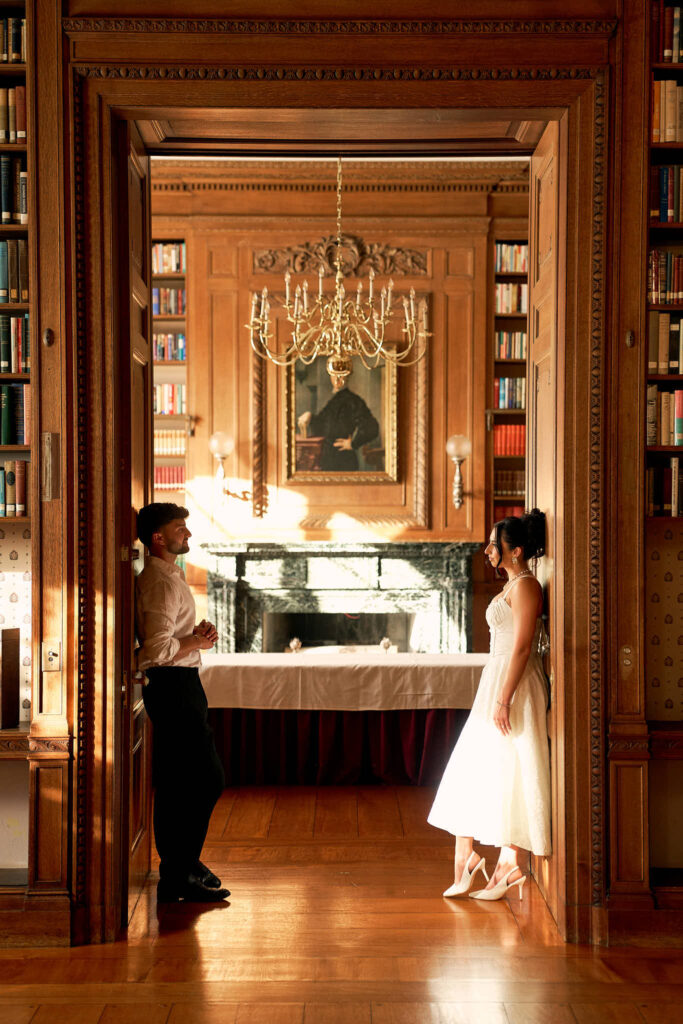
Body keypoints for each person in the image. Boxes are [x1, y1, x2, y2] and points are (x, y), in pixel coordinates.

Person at [428, 509, 551, 901]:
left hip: (514, 684)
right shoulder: (511, 585)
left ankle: (508, 861)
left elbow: (522, 646)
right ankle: (469, 856)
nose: (487, 550)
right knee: (478, 766)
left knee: (510, 767)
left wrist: (504, 699)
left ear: (515, 551)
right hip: (495, 679)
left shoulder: (528, 586)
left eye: (494, 545)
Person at [135, 502, 229, 903]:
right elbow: (155, 650)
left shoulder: (168, 576)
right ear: (159, 538)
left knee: (180, 782)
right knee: (205, 779)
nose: (188, 534)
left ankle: (182, 866)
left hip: (180, 683)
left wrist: (194, 635)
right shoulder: (160, 581)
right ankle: (179, 870)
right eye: (180, 528)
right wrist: (197, 641)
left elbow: (169, 636)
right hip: (173, 686)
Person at [297, 369, 380, 471]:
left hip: (344, 459)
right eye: (334, 375)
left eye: (341, 375)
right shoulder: (334, 400)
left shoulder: (353, 400)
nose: (337, 379)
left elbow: (372, 427)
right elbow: (322, 426)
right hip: (327, 458)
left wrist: (353, 443)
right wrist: (309, 415)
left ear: (347, 377)